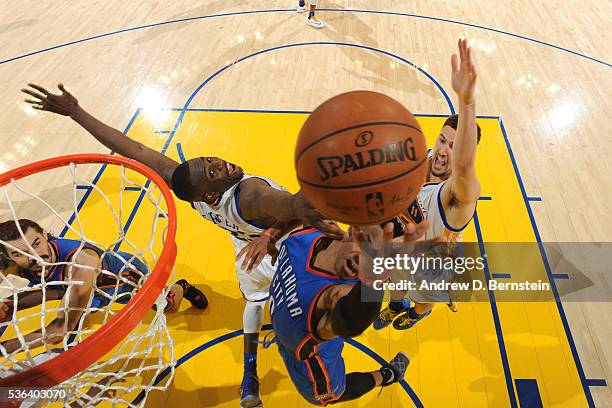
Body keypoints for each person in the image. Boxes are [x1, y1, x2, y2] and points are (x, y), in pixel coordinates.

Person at [21, 84, 342, 408]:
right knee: (315, 316)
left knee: (257, 304)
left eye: (210, 159)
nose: (219, 162)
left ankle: (250, 376)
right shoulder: (249, 195)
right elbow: (287, 205)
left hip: (252, 245)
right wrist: (317, 192)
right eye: (212, 170)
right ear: (209, 195)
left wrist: (76, 112)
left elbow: (134, 148)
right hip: (283, 251)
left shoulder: (193, 187)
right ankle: (282, 376)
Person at [373, 38, 483, 331]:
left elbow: (463, 166)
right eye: (442, 140)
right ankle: (397, 305)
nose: (443, 151)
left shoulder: (456, 197)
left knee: (423, 296)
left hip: (432, 261)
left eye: (453, 146)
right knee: (395, 279)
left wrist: (467, 103)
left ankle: (419, 312)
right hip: (404, 244)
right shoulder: (419, 160)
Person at [269, 220, 431, 405]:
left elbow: (351, 321)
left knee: (333, 393)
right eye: (365, 241)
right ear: (353, 228)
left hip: (313, 359)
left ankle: (387, 375)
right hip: (285, 329)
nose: (364, 257)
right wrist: (268, 236)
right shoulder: (311, 231)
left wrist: (373, 278)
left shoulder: (335, 298)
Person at [0, 219, 206, 354]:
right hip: (75, 288)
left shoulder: (82, 261)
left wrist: (4, 349)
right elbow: (51, 290)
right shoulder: (14, 264)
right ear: (8, 257)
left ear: (45, 235)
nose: (34, 257)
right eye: (20, 253)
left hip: (122, 280)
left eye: (36, 244)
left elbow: (60, 330)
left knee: (168, 306)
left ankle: (182, 287)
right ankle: (80, 310)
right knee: (17, 304)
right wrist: (6, 307)